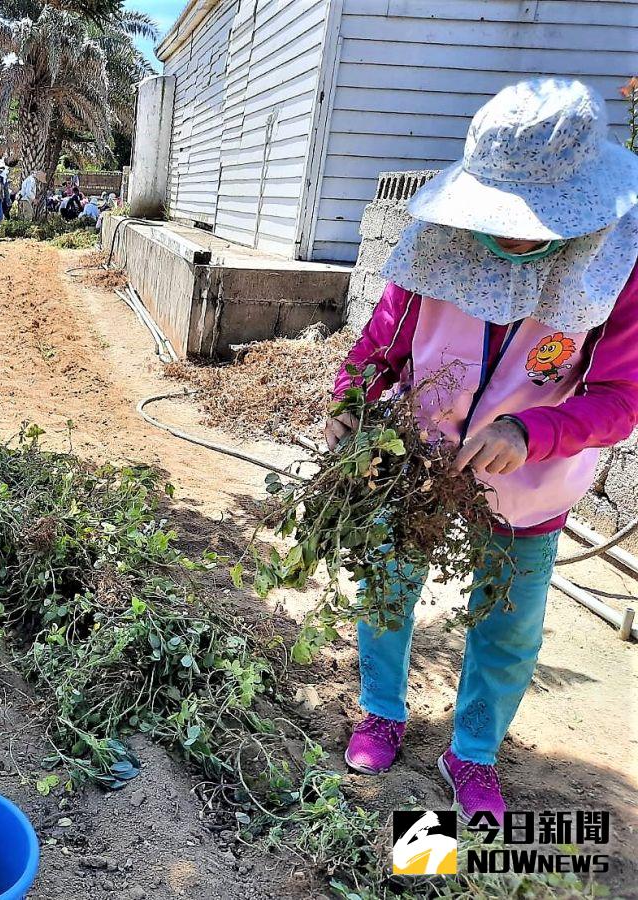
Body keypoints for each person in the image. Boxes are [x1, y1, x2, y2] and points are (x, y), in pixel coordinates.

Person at [330, 78, 638, 823]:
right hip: (417, 461)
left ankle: (472, 751)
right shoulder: (439, 244)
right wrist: (351, 403)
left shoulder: (614, 272)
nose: (519, 237)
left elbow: (620, 399)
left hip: (530, 483)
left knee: (508, 621)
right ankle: (381, 709)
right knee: (386, 580)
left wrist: (528, 433)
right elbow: (382, 347)